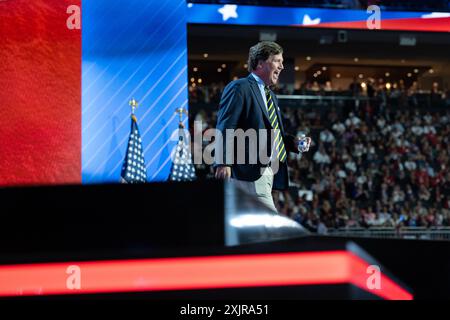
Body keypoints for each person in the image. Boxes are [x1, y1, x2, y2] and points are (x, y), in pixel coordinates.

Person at [214, 41, 311, 212]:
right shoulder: (240, 87)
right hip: (247, 173)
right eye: (277, 61)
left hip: (266, 174)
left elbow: (274, 133)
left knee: (250, 230)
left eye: (282, 62)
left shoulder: (271, 95)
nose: (281, 66)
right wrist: (223, 162)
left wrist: (294, 143)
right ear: (260, 63)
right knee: (271, 229)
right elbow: (226, 126)